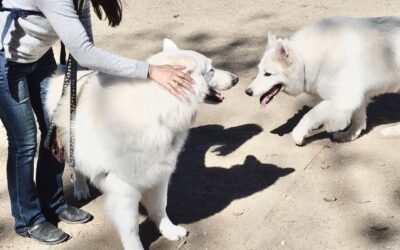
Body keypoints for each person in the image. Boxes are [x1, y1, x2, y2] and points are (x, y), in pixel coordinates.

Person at [0, 0, 193, 245]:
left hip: (39, 56)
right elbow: (85, 52)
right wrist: (149, 70)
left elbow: (83, 60)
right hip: (6, 61)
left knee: (55, 130)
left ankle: (54, 203)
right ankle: (28, 219)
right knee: (24, 141)